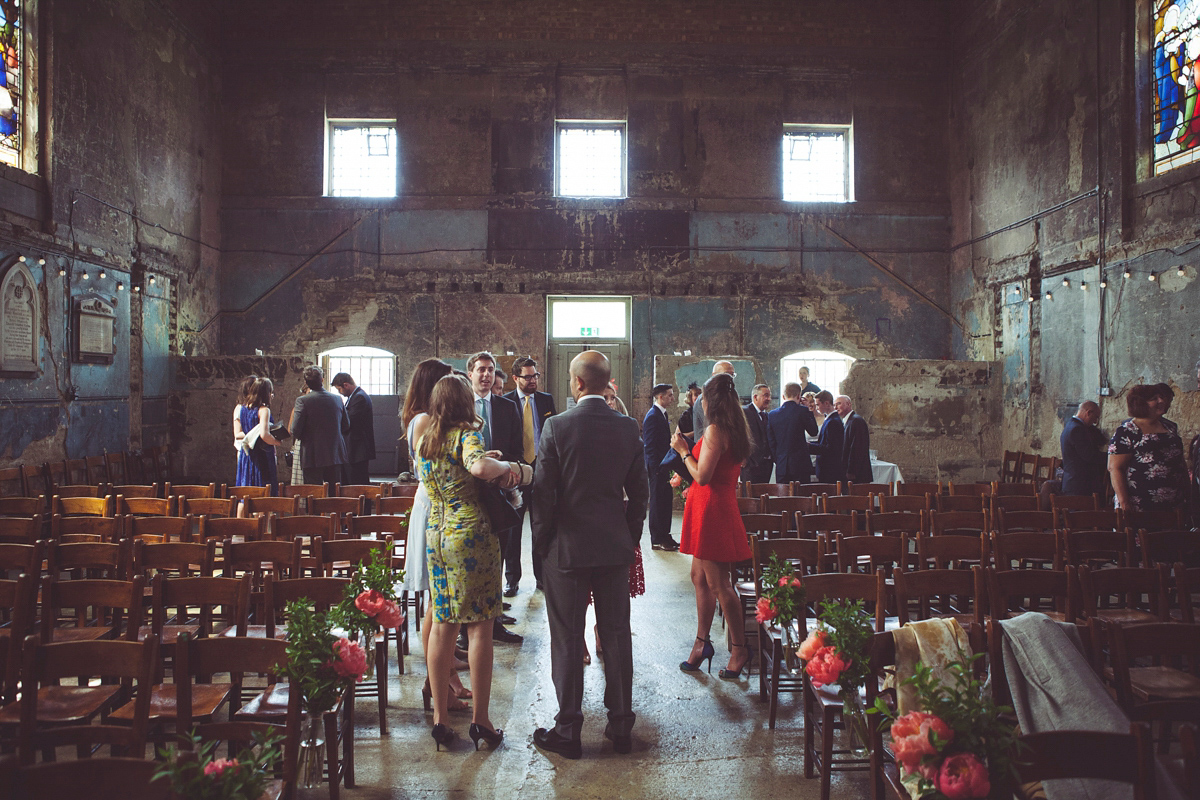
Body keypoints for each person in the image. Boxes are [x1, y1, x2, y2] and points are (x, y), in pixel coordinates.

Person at [532, 350, 649, 760]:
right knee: (616, 635)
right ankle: (620, 727)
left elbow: (543, 496)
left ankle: (568, 730)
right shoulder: (627, 427)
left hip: (566, 549)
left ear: (578, 383)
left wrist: (541, 548)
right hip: (613, 548)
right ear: (606, 382)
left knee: (567, 636)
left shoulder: (557, 427)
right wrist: (628, 538)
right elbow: (640, 494)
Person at [416, 374, 531, 752]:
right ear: (465, 402)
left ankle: (440, 718)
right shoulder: (468, 435)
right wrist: (508, 465)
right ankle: (481, 720)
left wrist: (485, 461)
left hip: (437, 532)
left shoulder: (425, 438)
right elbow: (478, 470)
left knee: (444, 622)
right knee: (481, 625)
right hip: (470, 534)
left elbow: (449, 473)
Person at [399, 358, 471, 712]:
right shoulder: (425, 420)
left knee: (439, 606)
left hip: (438, 503)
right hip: (435, 507)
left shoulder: (432, 419)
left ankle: (443, 682)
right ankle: (440, 685)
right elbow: (441, 463)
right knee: (437, 606)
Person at [671, 372, 753, 680]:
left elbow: (702, 476)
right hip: (710, 506)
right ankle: (702, 643)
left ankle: (740, 648)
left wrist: (682, 451)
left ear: (710, 400)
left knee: (720, 584)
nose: (700, 403)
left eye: (702, 397)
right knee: (699, 577)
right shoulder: (732, 426)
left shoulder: (718, 429)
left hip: (712, 509)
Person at [467, 351, 525, 643]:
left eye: (490, 370)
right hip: (468, 494)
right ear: (470, 374)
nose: (486, 375)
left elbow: (517, 449)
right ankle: (468, 627)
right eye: (481, 370)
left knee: (498, 556)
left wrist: (503, 464)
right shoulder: (462, 408)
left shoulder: (506, 406)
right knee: (473, 562)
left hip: (498, 493)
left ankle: (495, 622)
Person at [502, 356, 557, 596]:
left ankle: (542, 577)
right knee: (513, 529)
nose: (533, 380)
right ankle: (512, 579)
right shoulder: (504, 403)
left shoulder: (546, 400)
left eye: (535, 375)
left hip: (541, 472)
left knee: (541, 526)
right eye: (528, 376)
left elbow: (552, 435)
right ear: (515, 378)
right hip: (516, 472)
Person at [1108, 383, 1189, 513]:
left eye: (1161, 397)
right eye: (1154, 399)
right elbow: (1115, 468)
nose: (1161, 401)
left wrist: (1188, 492)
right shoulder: (1127, 431)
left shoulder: (1170, 428)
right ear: (1141, 404)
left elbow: (1180, 462)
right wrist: (1124, 502)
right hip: (1139, 505)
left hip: (1173, 505)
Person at [290, 365, 351, 487]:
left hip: (312, 455)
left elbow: (295, 431)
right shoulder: (337, 399)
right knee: (334, 494)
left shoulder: (302, 401)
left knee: (313, 495)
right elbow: (346, 425)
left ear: (306, 382)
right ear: (322, 379)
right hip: (334, 453)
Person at [642, 383, 679, 552]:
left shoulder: (662, 414)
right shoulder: (652, 416)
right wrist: (656, 468)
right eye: (670, 395)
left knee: (665, 501)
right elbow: (649, 446)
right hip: (657, 468)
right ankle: (657, 539)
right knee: (657, 502)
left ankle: (665, 535)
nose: (673, 398)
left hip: (664, 466)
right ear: (660, 397)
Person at [235, 378, 283, 488]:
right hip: (262, 454)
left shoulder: (243, 409)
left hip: (247, 454)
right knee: (264, 488)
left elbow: (247, 431)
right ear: (266, 393)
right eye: (270, 391)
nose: (272, 395)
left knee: (246, 491)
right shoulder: (264, 410)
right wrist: (276, 442)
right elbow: (264, 434)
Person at [767, 382, 819, 484]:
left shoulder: (772, 414)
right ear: (799, 396)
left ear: (783, 396)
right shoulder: (803, 411)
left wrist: (778, 459)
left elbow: (771, 442)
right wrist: (808, 410)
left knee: (783, 497)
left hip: (782, 465)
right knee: (802, 498)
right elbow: (813, 431)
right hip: (801, 465)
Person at [332, 372, 376, 486]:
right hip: (353, 450)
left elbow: (349, 422)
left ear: (346, 385)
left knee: (357, 484)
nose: (339, 392)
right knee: (351, 483)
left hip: (357, 450)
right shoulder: (355, 397)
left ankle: (361, 504)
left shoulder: (359, 397)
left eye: (339, 389)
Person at [1060, 400, 1107, 496]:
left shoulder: (1072, 425)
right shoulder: (1077, 429)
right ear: (1088, 413)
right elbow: (1089, 456)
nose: (1095, 422)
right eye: (1096, 417)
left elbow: (1101, 440)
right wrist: (1113, 457)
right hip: (1079, 485)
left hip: (1076, 483)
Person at [691, 361, 735, 441]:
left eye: (732, 375)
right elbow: (714, 427)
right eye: (726, 375)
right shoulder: (705, 399)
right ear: (714, 376)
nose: (730, 379)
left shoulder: (728, 397)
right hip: (708, 446)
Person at [809, 390, 846, 484]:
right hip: (827, 469)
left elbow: (830, 448)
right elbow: (823, 443)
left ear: (826, 403)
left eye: (818, 404)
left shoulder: (833, 421)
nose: (816, 408)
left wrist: (809, 447)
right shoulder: (829, 419)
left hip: (829, 469)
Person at [836, 395, 873, 485]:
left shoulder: (856, 421)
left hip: (856, 474)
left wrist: (851, 470)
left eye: (838, 404)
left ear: (848, 404)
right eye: (834, 405)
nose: (835, 407)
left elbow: (857, 448)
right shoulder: (848, 421)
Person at [742, 384, 773, 483]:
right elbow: (738, 435)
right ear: (755, 397)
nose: (769, 399)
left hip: (766, 466)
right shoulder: (744, 412)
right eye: (766, 395)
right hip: (750, 466)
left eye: (769, 396)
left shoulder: (766, 415)